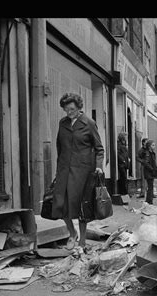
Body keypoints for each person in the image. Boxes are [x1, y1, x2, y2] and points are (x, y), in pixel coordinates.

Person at [52, 93, 104, 249]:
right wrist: (58, 169)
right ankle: (72, 233)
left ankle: (82, 240)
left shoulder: (88, 123)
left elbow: (99, 148)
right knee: (60, 204)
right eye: (66, 109)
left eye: (72, 109)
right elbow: (59, 147)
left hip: (83, 172)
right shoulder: (63, 123)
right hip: (64, 170)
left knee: (82, 206)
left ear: (79, 107)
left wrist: (99, 166)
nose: (69, 112)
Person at [142, 140, 157, 204]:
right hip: (149, 172)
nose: (154, 146)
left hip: (150, 172)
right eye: (153, 145)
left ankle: (149, 200)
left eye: (154, 145)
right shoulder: (147, 154)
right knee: (150, 186)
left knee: (151, 186)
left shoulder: (152, 153)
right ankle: (149, 200)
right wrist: (152, 169)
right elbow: (146, 163)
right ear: (149, 146)